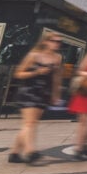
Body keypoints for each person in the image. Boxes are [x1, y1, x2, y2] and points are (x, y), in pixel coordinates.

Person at [8, 33, 62, 164]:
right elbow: (18, 73)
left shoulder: (58, 58)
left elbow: (56, 78)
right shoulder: (34, 56)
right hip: (29, 91)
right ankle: (30, 152)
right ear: (45, 42)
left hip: (44, 93)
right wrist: (36, 72)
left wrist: (56, 94)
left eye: (59, 42)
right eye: (54, 41)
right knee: (30, 123)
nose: (57, 44)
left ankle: (14, 153)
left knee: (30, 123)